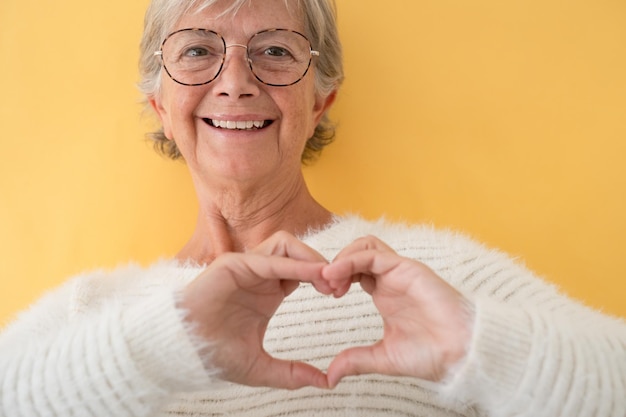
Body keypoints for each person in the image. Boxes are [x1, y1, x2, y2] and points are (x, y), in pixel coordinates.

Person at [1, 0, 624, 415]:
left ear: (320, 99)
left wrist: (477, 346)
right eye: (195, 50)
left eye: (275, 50)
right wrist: (167, 340)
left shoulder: (439, 279)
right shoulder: (93, 312)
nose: (236, 80)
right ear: (159, 104)